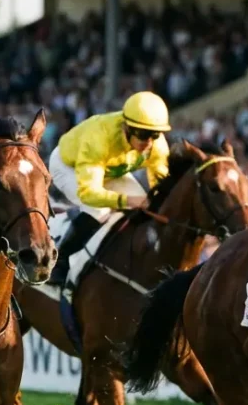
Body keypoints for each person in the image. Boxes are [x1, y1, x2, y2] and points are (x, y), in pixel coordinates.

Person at [47, 91, 172, 290]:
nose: (148, 141)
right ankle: (59, 262)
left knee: (146, 209)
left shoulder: (156, 145)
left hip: (109, 170)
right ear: (126, 127)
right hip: (67, 165)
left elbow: (162, 186)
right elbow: (89, 192)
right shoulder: (99, 138)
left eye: (154, 135)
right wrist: (125, 201)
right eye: (142, 134)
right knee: (99, 210)